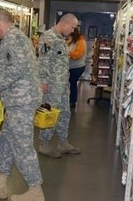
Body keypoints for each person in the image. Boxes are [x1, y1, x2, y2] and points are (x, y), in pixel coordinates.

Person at [0, 8, 44, 201]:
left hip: (21, 101)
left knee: (22, 144)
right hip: (19, 98)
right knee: (5, 141)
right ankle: (0, 184)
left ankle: (35, 190)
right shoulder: (19, 37)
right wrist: (2, 87)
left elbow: (16, 70)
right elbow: (20, 69)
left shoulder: (11, 40)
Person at [38, 13, 81, 158]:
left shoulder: (61, 39)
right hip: (51, 85)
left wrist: (66, 81)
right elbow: (43, 61)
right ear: (66, 23)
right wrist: (43, 81)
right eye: (73, 27)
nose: (73, 31)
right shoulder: (48, 37)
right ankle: (44, 144)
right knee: (51, 114)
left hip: (62, 84)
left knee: (65, 113)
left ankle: (63, 142)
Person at [67, 28, 87, 108]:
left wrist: (67, 52)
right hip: (72, 66)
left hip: (77, 67)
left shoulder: (81, 42)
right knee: (71, 83)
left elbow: (77, 55)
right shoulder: (72, 41)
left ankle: (72, 101)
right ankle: (71, 100)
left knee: (73, 83)